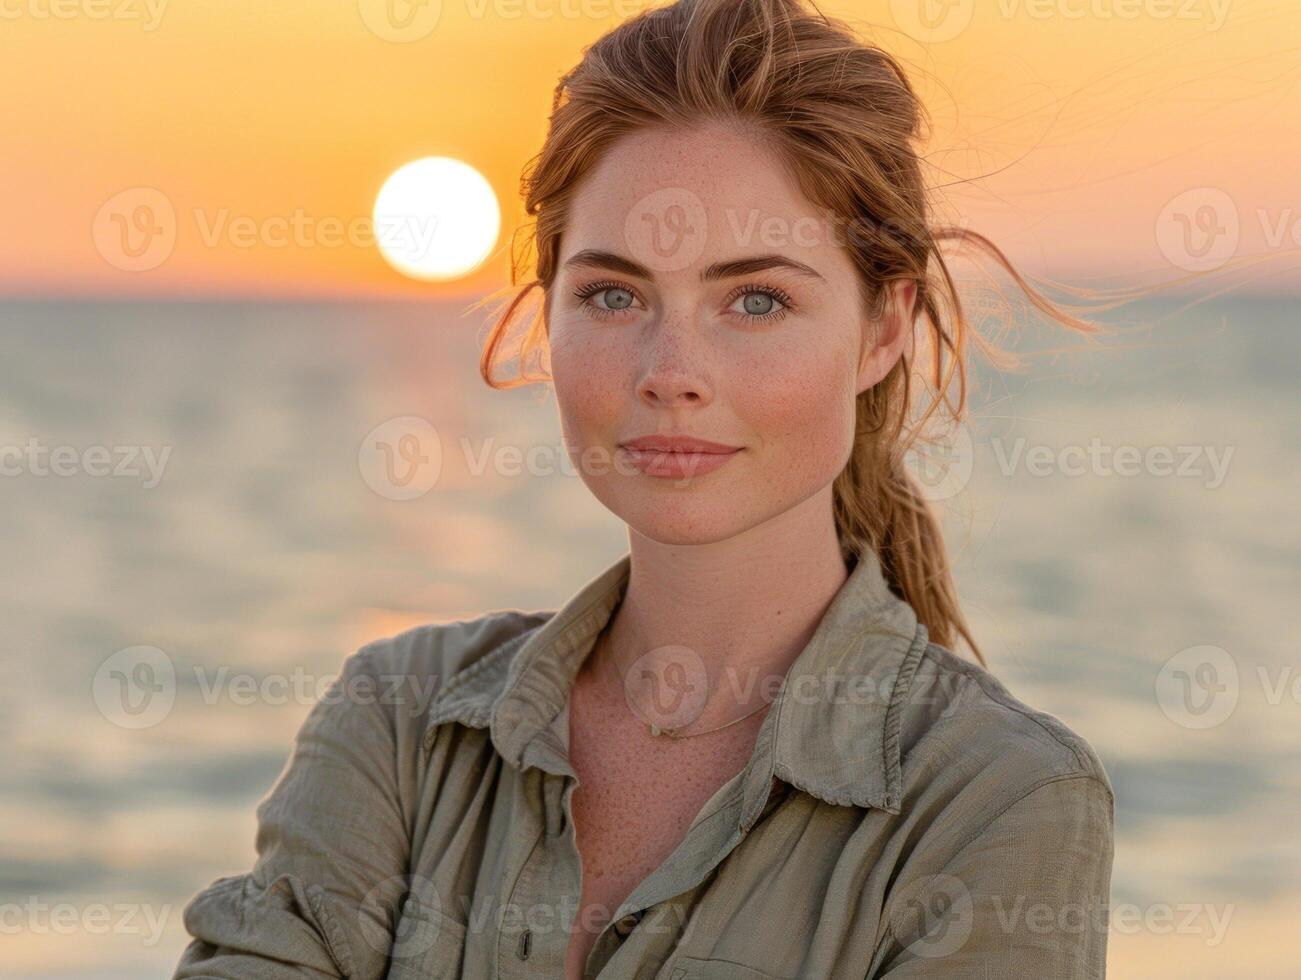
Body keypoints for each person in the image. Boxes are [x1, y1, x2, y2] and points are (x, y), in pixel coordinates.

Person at [173, 0, 1114, 976]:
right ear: (550, 314)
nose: (671, 369)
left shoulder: (996, 800)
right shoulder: (397, 721)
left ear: (881, 329)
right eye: (612, 294)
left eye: (755, 299)